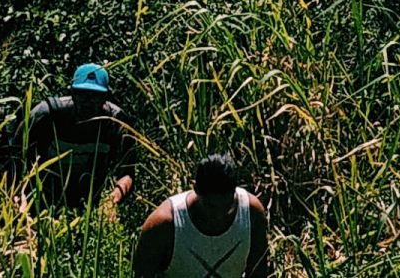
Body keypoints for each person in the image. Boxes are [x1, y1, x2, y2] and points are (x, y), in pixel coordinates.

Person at [19, 62, 137, 211]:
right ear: (72, 93)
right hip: (43, 197)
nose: (88, 102)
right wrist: (19, 198)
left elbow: (126, 173)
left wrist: (110, 203)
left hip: (89, 202)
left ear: (106, 97)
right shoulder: (47, 114)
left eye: (95, 96)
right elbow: (16, 158)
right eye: (82, 94)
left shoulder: (117, 123)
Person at [135, 153, 270, 277]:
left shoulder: (252, 214)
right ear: (196, 189)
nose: (218, 215)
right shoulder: (164, 224)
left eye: (226, 206)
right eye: (211, 207)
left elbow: (259, 273)